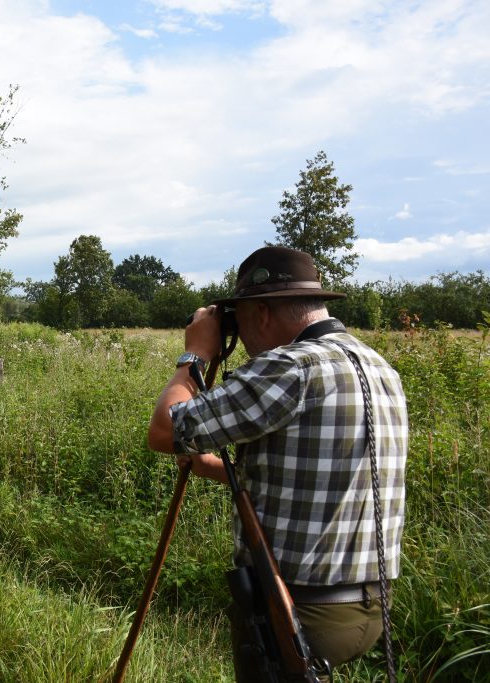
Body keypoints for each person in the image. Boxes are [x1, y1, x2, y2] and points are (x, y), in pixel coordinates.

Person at [147, 246, 407, 680]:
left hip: (298, 608)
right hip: (368, 603)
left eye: (242, 320)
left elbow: (163, 430)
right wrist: (210, 466)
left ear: (263, 313)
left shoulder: (290, 367)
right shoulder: (377, 367)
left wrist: (196, 354)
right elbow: (318, 471)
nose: (243, 337)